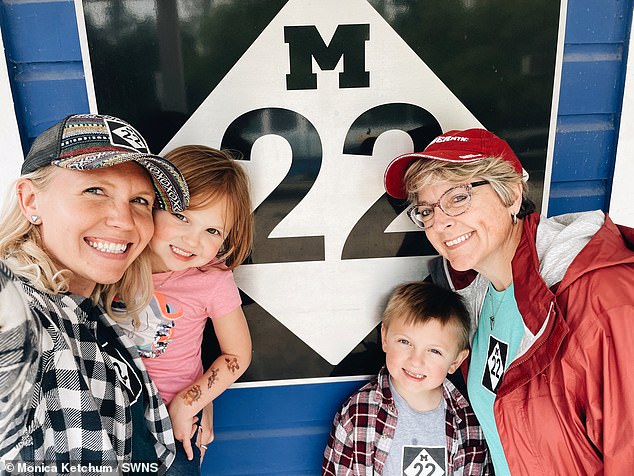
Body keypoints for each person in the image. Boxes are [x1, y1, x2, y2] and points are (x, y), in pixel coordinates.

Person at [383, 128, 634, 475]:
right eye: (426, 210)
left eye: (458, 197)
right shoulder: (476, 296)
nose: (440, 221)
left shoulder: (602, 299)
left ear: (512, 194)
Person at [0, 113, 190, 474]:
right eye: (95, 190)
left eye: (141, 201)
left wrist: (184, 395)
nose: (124, 219)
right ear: (30, 201)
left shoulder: (86, 304)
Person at [116, 145, 253, 473]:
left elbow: (237, 355)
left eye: (212, 230)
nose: (192, 240)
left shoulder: (213, 279)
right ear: (152, 204)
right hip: (109, 413)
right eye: (181, 216)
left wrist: (192, 400)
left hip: (175, 419)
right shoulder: (114, 260)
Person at [323, 281, 492, 475]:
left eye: (434, 351)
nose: (416, 361)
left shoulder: (468, 420)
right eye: (405, 342)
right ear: (385, 338)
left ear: (455, 361)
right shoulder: (358, 413)